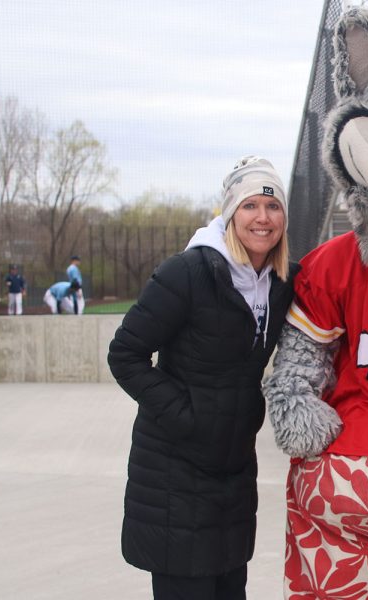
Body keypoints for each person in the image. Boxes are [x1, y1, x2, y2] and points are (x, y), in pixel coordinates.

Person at [107, 156, 297, 600]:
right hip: (175, 469)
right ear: (230, 212)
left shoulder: (282, 281)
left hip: (233, 471)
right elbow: (125, 354)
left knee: (231, 587)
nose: (263, 218)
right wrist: (185, 415)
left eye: (273, 207)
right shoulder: (189, 273)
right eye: (250, 205)